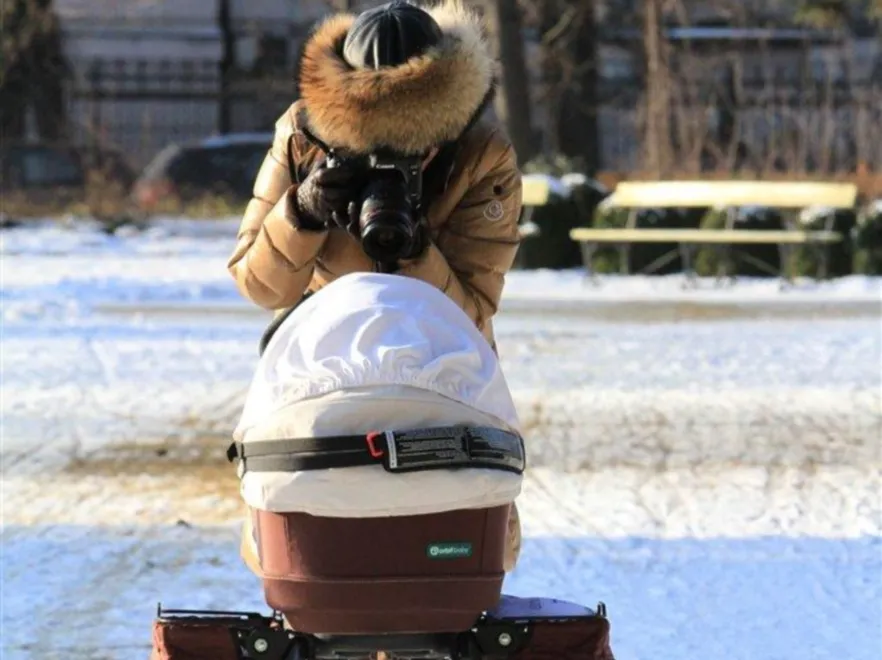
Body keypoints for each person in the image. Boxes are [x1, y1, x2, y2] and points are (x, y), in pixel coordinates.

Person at [226, 0, 523, 351]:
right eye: (367, 148)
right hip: (323, 349)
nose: (387, 162)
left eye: (409, 149)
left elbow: (471, 316)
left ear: (445, 127)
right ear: (340, 126)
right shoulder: (304, 135)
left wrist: (416, 253)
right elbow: (260, 287)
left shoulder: (481, 155)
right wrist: (302, 213)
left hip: (439, 359)